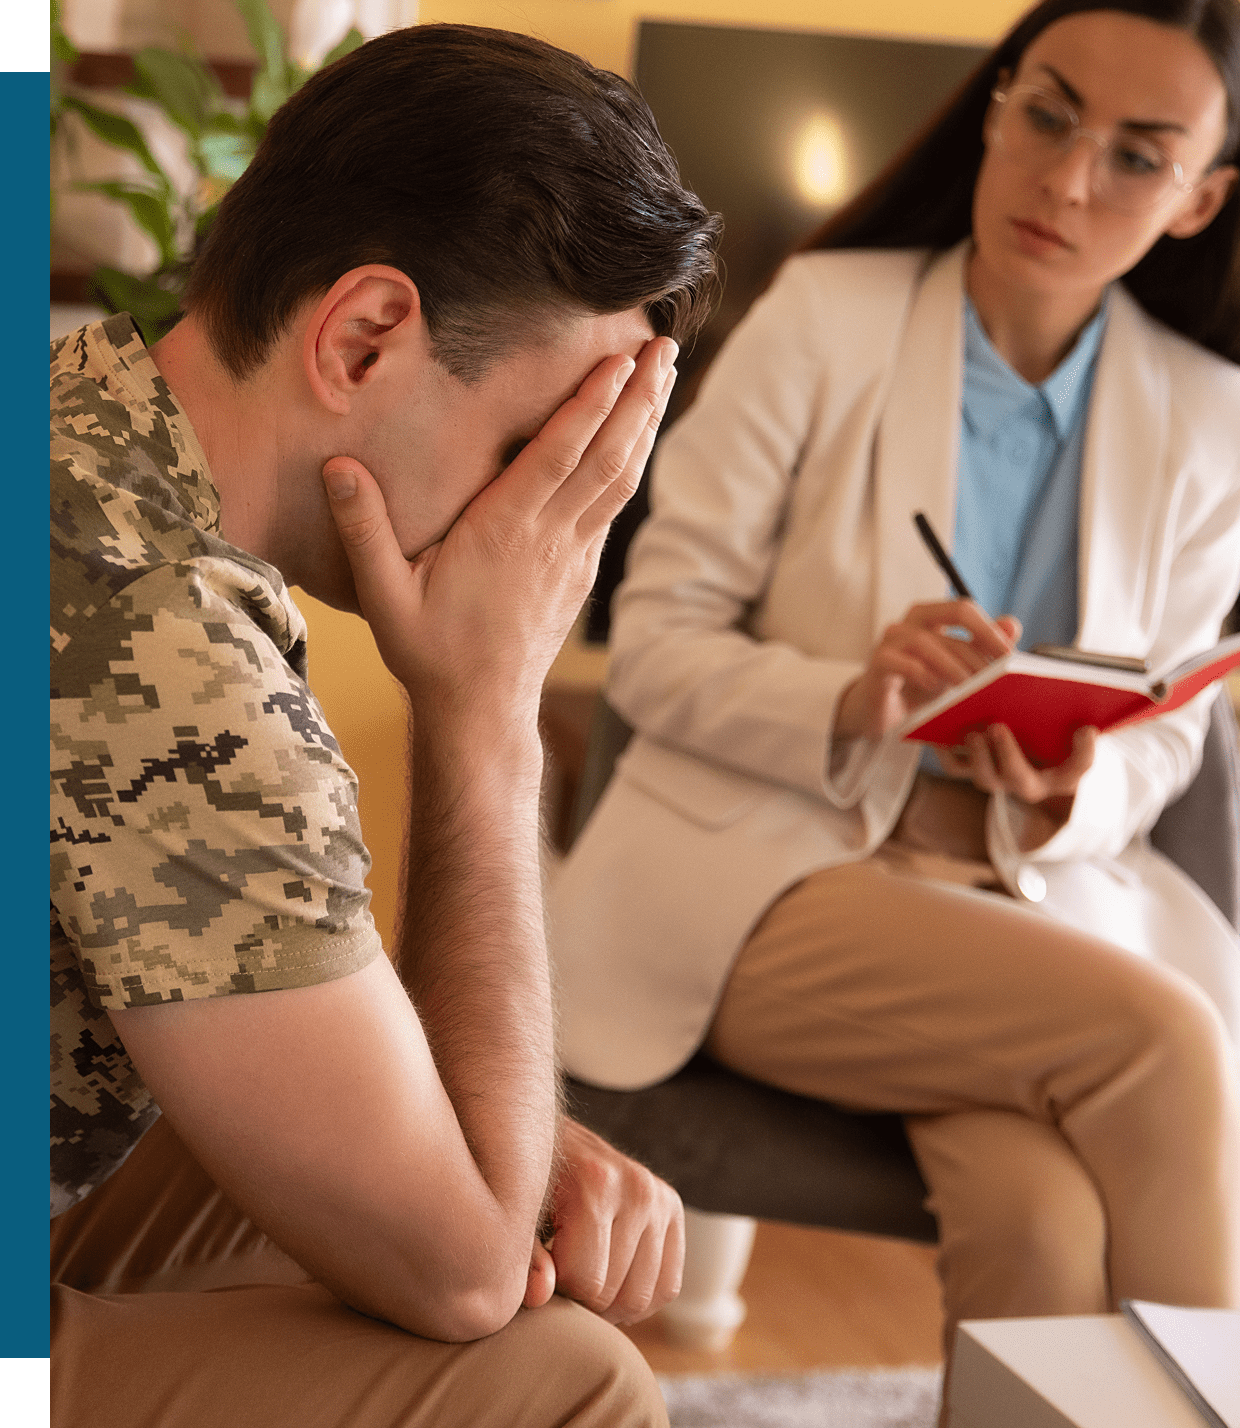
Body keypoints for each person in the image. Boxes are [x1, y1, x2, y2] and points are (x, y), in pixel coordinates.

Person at [549, 0, 1240, 1416]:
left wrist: (1077, 791)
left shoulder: (1212, 416)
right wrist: (855, 694)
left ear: (1201, 202)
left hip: (1027, 897)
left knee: (1044, 1216)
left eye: (1137, 157)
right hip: (767, 877)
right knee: (1167, 1041)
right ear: (994, 107)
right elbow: (660, 646)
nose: (1066, 181)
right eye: (1047, 115)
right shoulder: (824, 319)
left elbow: (1170, 727)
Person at [50, 24, 721, 1428]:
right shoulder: (164, 639)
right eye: (542, 453)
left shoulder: (79, 421)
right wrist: (487, 708)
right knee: (561, 1380)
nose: (550, 529)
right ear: (364, 336)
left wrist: (482, 1138)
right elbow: (466, 1277)